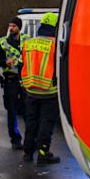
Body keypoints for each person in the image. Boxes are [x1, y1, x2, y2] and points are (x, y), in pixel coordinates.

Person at [21, 12, 61, 165]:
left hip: (31, 89)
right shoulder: (55, 45)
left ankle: (27, 153)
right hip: (48, 91)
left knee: (31, 122)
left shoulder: (28, 43)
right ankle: (43, 154)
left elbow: (21, 65)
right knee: (46, 123)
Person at [0, 16, 29, 150]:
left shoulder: (27, 40)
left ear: (19, 27)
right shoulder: (3, 42)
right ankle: (15, 139)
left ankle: (31, 139)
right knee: (12, 112)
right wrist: (5, 62)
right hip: (11, 80)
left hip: (25, 80)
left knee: (28, 112)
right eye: (10, 25)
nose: (11, 28)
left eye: (13, 26)